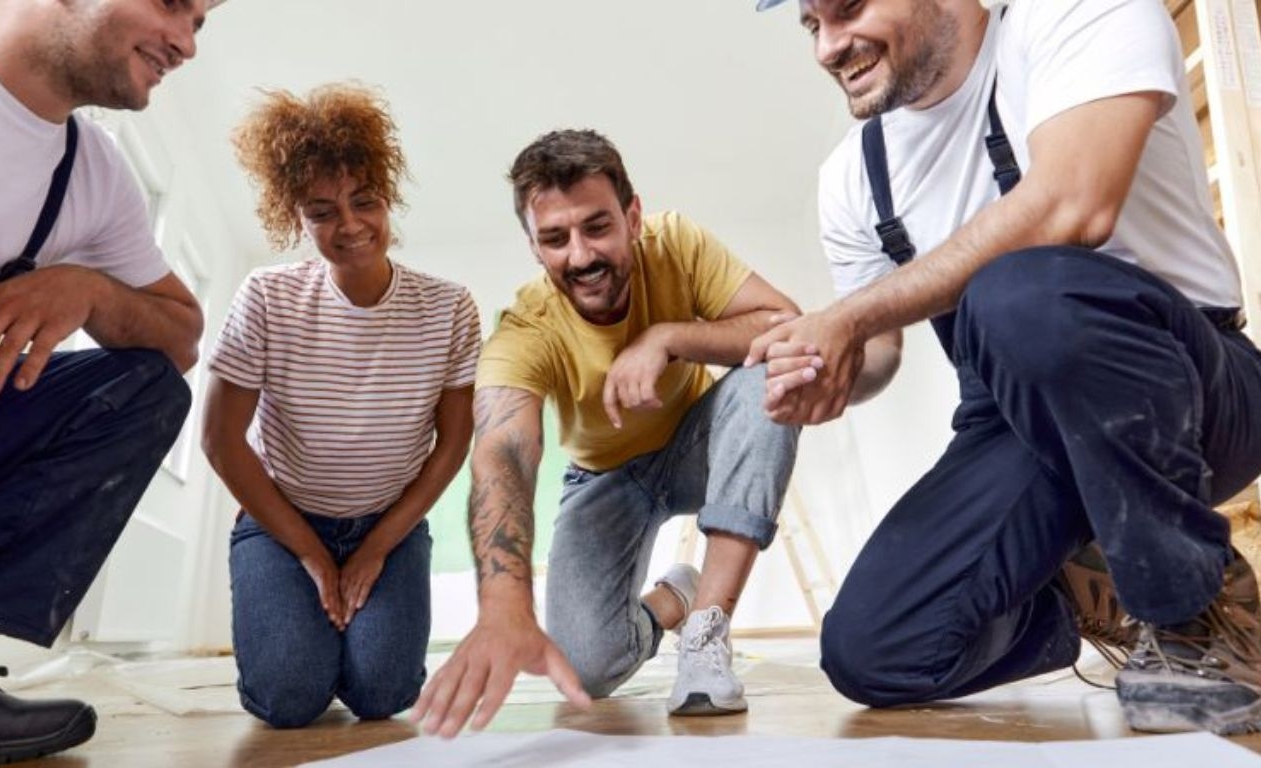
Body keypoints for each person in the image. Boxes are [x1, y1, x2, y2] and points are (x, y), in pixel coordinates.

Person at [749, 0, 1261, 735]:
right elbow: (882, 351)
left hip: (1197, 393)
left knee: (1019, 292)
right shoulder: (854, 179)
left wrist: (853, 318)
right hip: (1014, 425)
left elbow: (1073, 206)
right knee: (875, 651)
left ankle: (1194, 610)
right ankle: (1094, 589)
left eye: (847, 9)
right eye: (811, 25)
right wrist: (824, 372)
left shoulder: (1076, 15)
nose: (828, 47)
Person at [411, 129, 802, 737]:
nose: (581, 255)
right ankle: (674, 599)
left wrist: (668, 338)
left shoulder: (676, 243)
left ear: (633, 216)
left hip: (696, 446)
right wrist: (503, 601)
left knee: (775, 370)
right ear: (534, 248)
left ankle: (705, 633)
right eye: (555, 239)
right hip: (606, 479)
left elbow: (786, 324)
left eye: (597, 227)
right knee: (585, 670)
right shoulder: (525, 327)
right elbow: (503, 453)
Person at [0, 0, 211, 763]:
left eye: (203, 23)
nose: (186, 42)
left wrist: (90, 290)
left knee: (143, 387)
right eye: (177, 4)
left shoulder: (92, 174)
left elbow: (180, 334)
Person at [202, 83, 481, 729]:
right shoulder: (268, 297)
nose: (350, 225)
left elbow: (454, 443)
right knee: (288, 700)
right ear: (294, 216)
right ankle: (303, 639)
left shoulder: (449, 308)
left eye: (365, 201)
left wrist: (377, 547)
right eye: (322, 211)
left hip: (391, 524)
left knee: (383, 696)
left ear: (389, 197)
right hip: (281, 524)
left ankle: (344, 637)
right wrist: (309, 553)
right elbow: (221, 441)